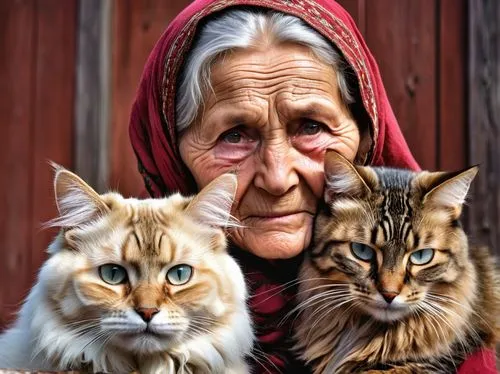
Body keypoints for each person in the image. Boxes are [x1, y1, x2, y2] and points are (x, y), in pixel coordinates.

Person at [129, 1, 497, 373]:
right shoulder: (89, 309)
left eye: (311, 127)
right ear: (171, 154)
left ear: (365, 137)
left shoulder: (465, 336)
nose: (277, 178)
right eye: (234, 135)